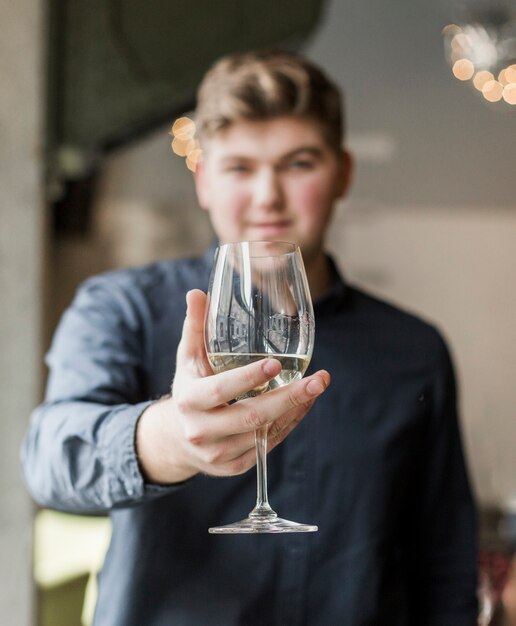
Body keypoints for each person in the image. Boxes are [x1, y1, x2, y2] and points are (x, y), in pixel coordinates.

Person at [21, 50, 478, 625]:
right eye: (239, 167)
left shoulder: (414, 351)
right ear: (203, 179)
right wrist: (170, 440)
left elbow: (444, 563)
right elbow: (48, 459)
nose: (268, 196)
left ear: (343, 172)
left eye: (298, 163)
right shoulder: (121, 307)